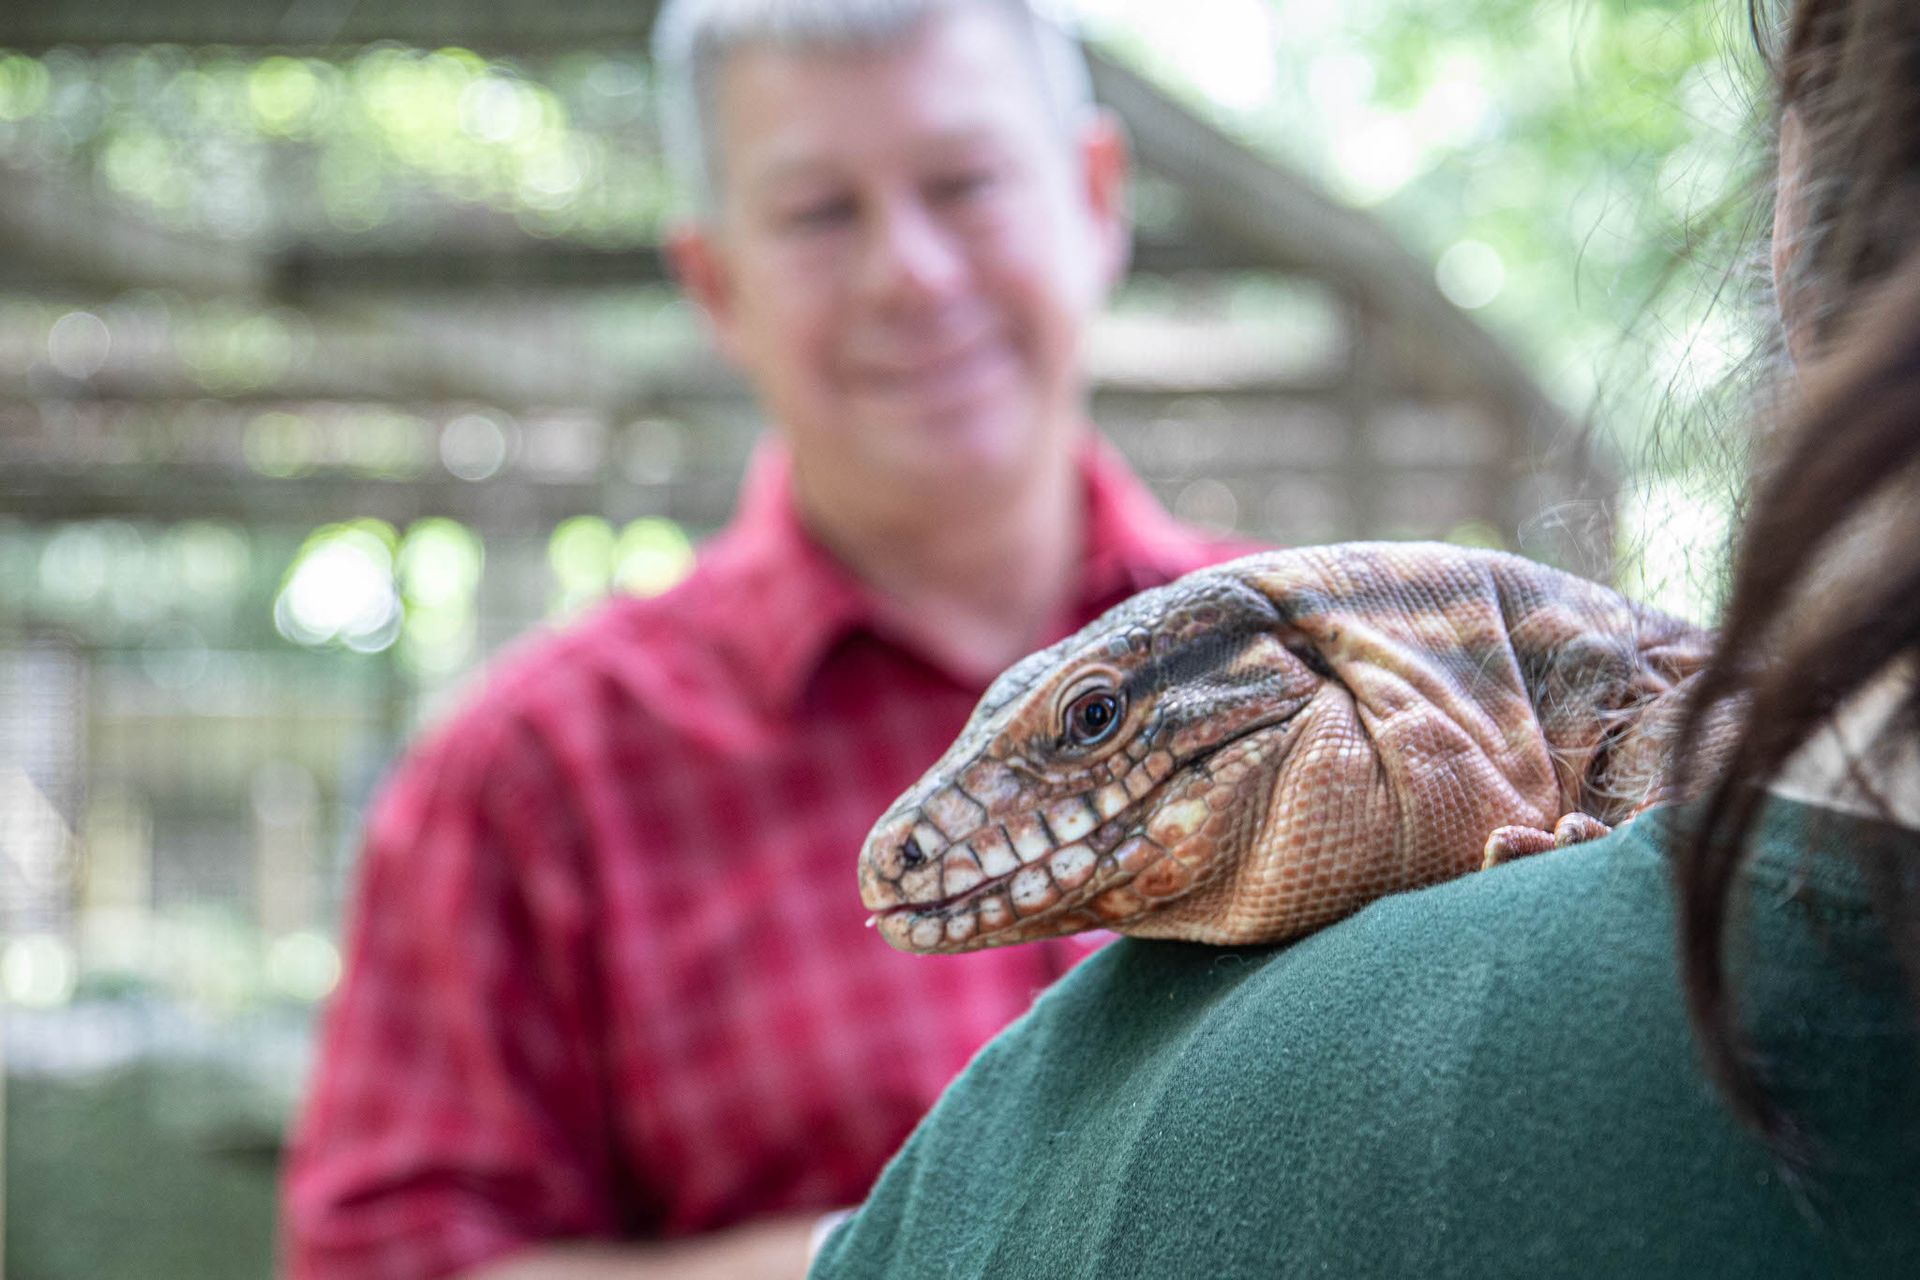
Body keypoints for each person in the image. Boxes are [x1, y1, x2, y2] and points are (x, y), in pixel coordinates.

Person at [810, 0, 1920, 1275]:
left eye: (1098, 721)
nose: (907, 272)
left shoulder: (1009, 1177)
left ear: (1800, 234)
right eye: (821, 211)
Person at [280, 1, 1257, 1276]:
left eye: (964, 183)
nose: (909, 269)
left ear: (1093, 195)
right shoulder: (530, 780)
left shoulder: (1320, 666)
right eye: (819, 213)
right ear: (717, 283)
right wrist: (883, 1255)